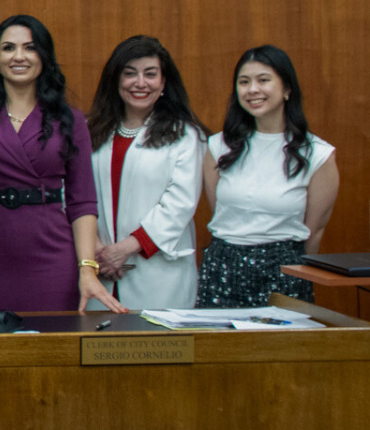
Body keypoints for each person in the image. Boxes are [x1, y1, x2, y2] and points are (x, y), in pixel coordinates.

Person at [0, 15, 125, 313]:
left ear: (43, 57)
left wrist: (87, 268)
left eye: (30, 48)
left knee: (53, 347)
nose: (18, 56)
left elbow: (82, 200)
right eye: (8, 48)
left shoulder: (69, 119)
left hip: (52, 256)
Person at [199, 46, 339, 307]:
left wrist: (291, 271)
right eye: (244, 82)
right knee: (218, 348)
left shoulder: (317, 154)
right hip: (222, 267)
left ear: (287, 89)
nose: (252, 90)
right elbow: (221, 212)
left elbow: (314, 231)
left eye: (263, 80)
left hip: (285, 270)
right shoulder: (219, 146)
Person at [84, 35, 205, 310]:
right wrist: (97, 248)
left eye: (150, 74)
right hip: (98, 271)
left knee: (158, 348)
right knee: (100, 350)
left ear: (163, 83)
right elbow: (74, 192)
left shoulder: (185, 135)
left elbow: (178, 205)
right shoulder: (89, 131)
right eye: (130, 74)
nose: (140, 83)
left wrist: (124, 249)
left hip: (159, 275)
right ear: (116, 81)